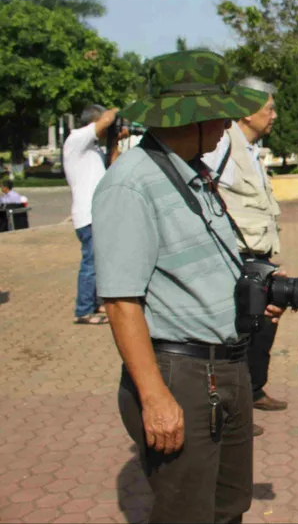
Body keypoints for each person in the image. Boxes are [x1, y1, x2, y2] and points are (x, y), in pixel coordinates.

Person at [93, 50, 284, 523]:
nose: (226, 125)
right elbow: (120, 301)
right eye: (218, 115)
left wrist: (259, 295)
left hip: (228, 365)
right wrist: (155, 396)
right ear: (191, 118)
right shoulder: (132, 184)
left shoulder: (193, 175)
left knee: (228, 506)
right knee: (187, 513)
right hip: (181, 373)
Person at [202, 78, 285, 434]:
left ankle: (253, 391)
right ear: (247, 111)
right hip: (237, 258)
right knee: (236, 336)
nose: (274, 115)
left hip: (260, 256)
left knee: (264, 327)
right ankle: (230, 412)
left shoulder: (251, 149)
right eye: (268, 108)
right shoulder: (222, 145)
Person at [63, 104, 127, 325]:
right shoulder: (76, 139)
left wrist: (115, 141)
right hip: (86, 214)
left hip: (98, 214)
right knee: (90, 262)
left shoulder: (93, 148)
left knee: (99, 262)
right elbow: (106, 119)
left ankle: (94, 303)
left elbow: (114, 167)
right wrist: (116, 110)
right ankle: (83, 311)